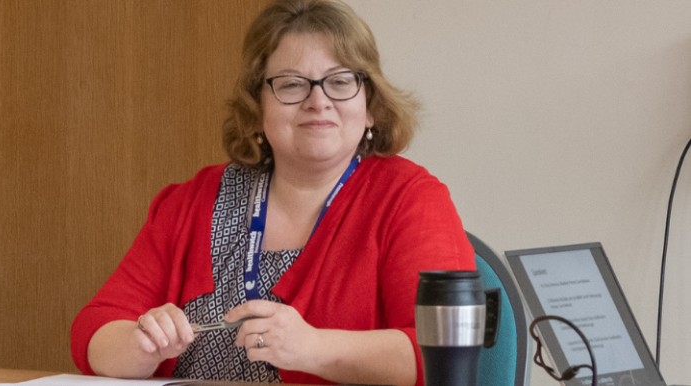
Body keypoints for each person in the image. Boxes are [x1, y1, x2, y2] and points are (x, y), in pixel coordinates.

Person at [70, 1, 475, 385]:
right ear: (257, 107)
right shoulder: (194, 200)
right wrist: (139, 347)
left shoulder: (410, 199)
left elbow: (446, 355)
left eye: (340, 82)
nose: (319, 102)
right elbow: (95, 332)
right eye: (292, 84)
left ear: (370, 104)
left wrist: (314, 348)